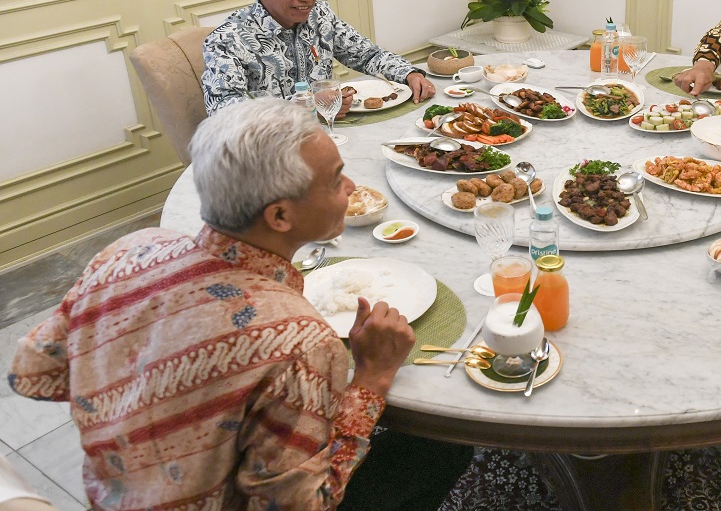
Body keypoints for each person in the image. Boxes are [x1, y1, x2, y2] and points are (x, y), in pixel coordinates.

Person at [8, 99, 470, 510]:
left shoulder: (129, 249)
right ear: (280, 216)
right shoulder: (300, 341)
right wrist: (373, 377)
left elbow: (32, 374)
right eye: (334, 181)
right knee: (441, 449)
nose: (350, 186)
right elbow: (299, 504)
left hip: (112, 493)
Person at [202, 0, 437, 115]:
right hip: (270, 154)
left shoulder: (320, 14)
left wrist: (409, 73)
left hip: (331, 134)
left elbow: (368, 55)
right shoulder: (227, 39)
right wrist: (307, 103)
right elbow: (223, 112)